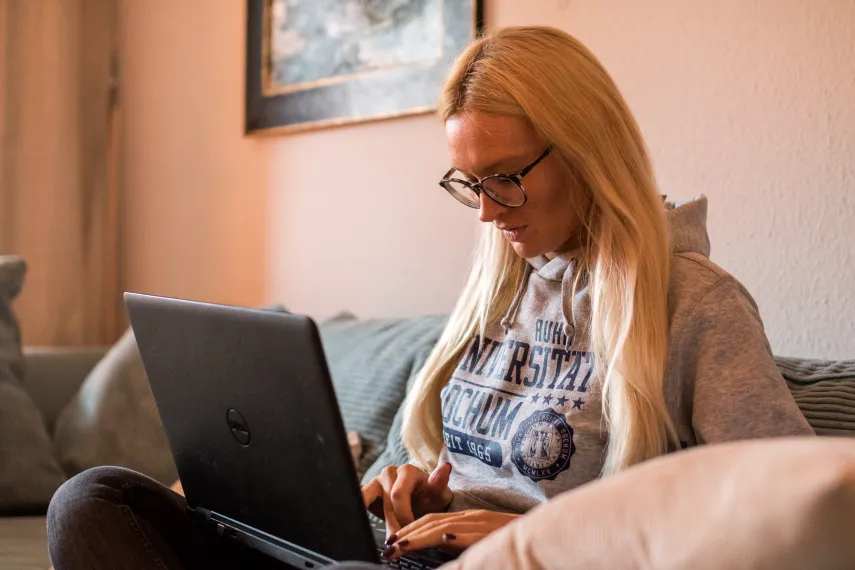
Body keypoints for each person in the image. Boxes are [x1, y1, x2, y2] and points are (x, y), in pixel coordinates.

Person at [46, 25, 814, 570]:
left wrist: (534, 536)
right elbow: (429, 464)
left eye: (505, 176)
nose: (486, 210)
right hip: (406, 559)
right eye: (469, 184)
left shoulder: (693, 304)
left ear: (587, 150)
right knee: (93, 501)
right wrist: (401, 491)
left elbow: (797, 510)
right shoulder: (502, 286)